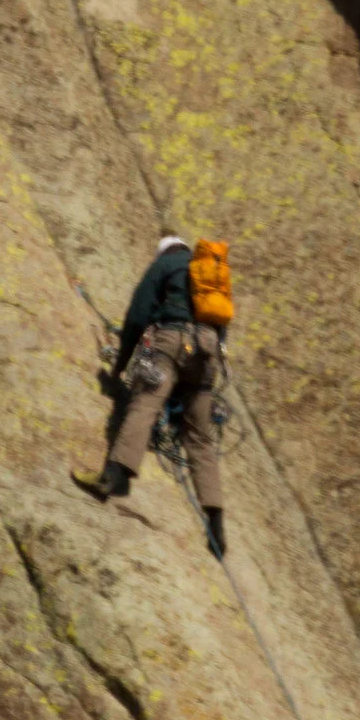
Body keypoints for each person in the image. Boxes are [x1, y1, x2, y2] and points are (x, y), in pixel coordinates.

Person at [74, 233, 228, 557]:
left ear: (163, 250)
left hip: (171, 343)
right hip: (206, 353)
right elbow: (221, 324)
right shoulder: (209, 272)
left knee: (144, 405)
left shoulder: (165, 264)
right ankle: (216, 524)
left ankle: (114, 477)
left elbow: (138, 315)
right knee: (200, 438)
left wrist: (120, 366)